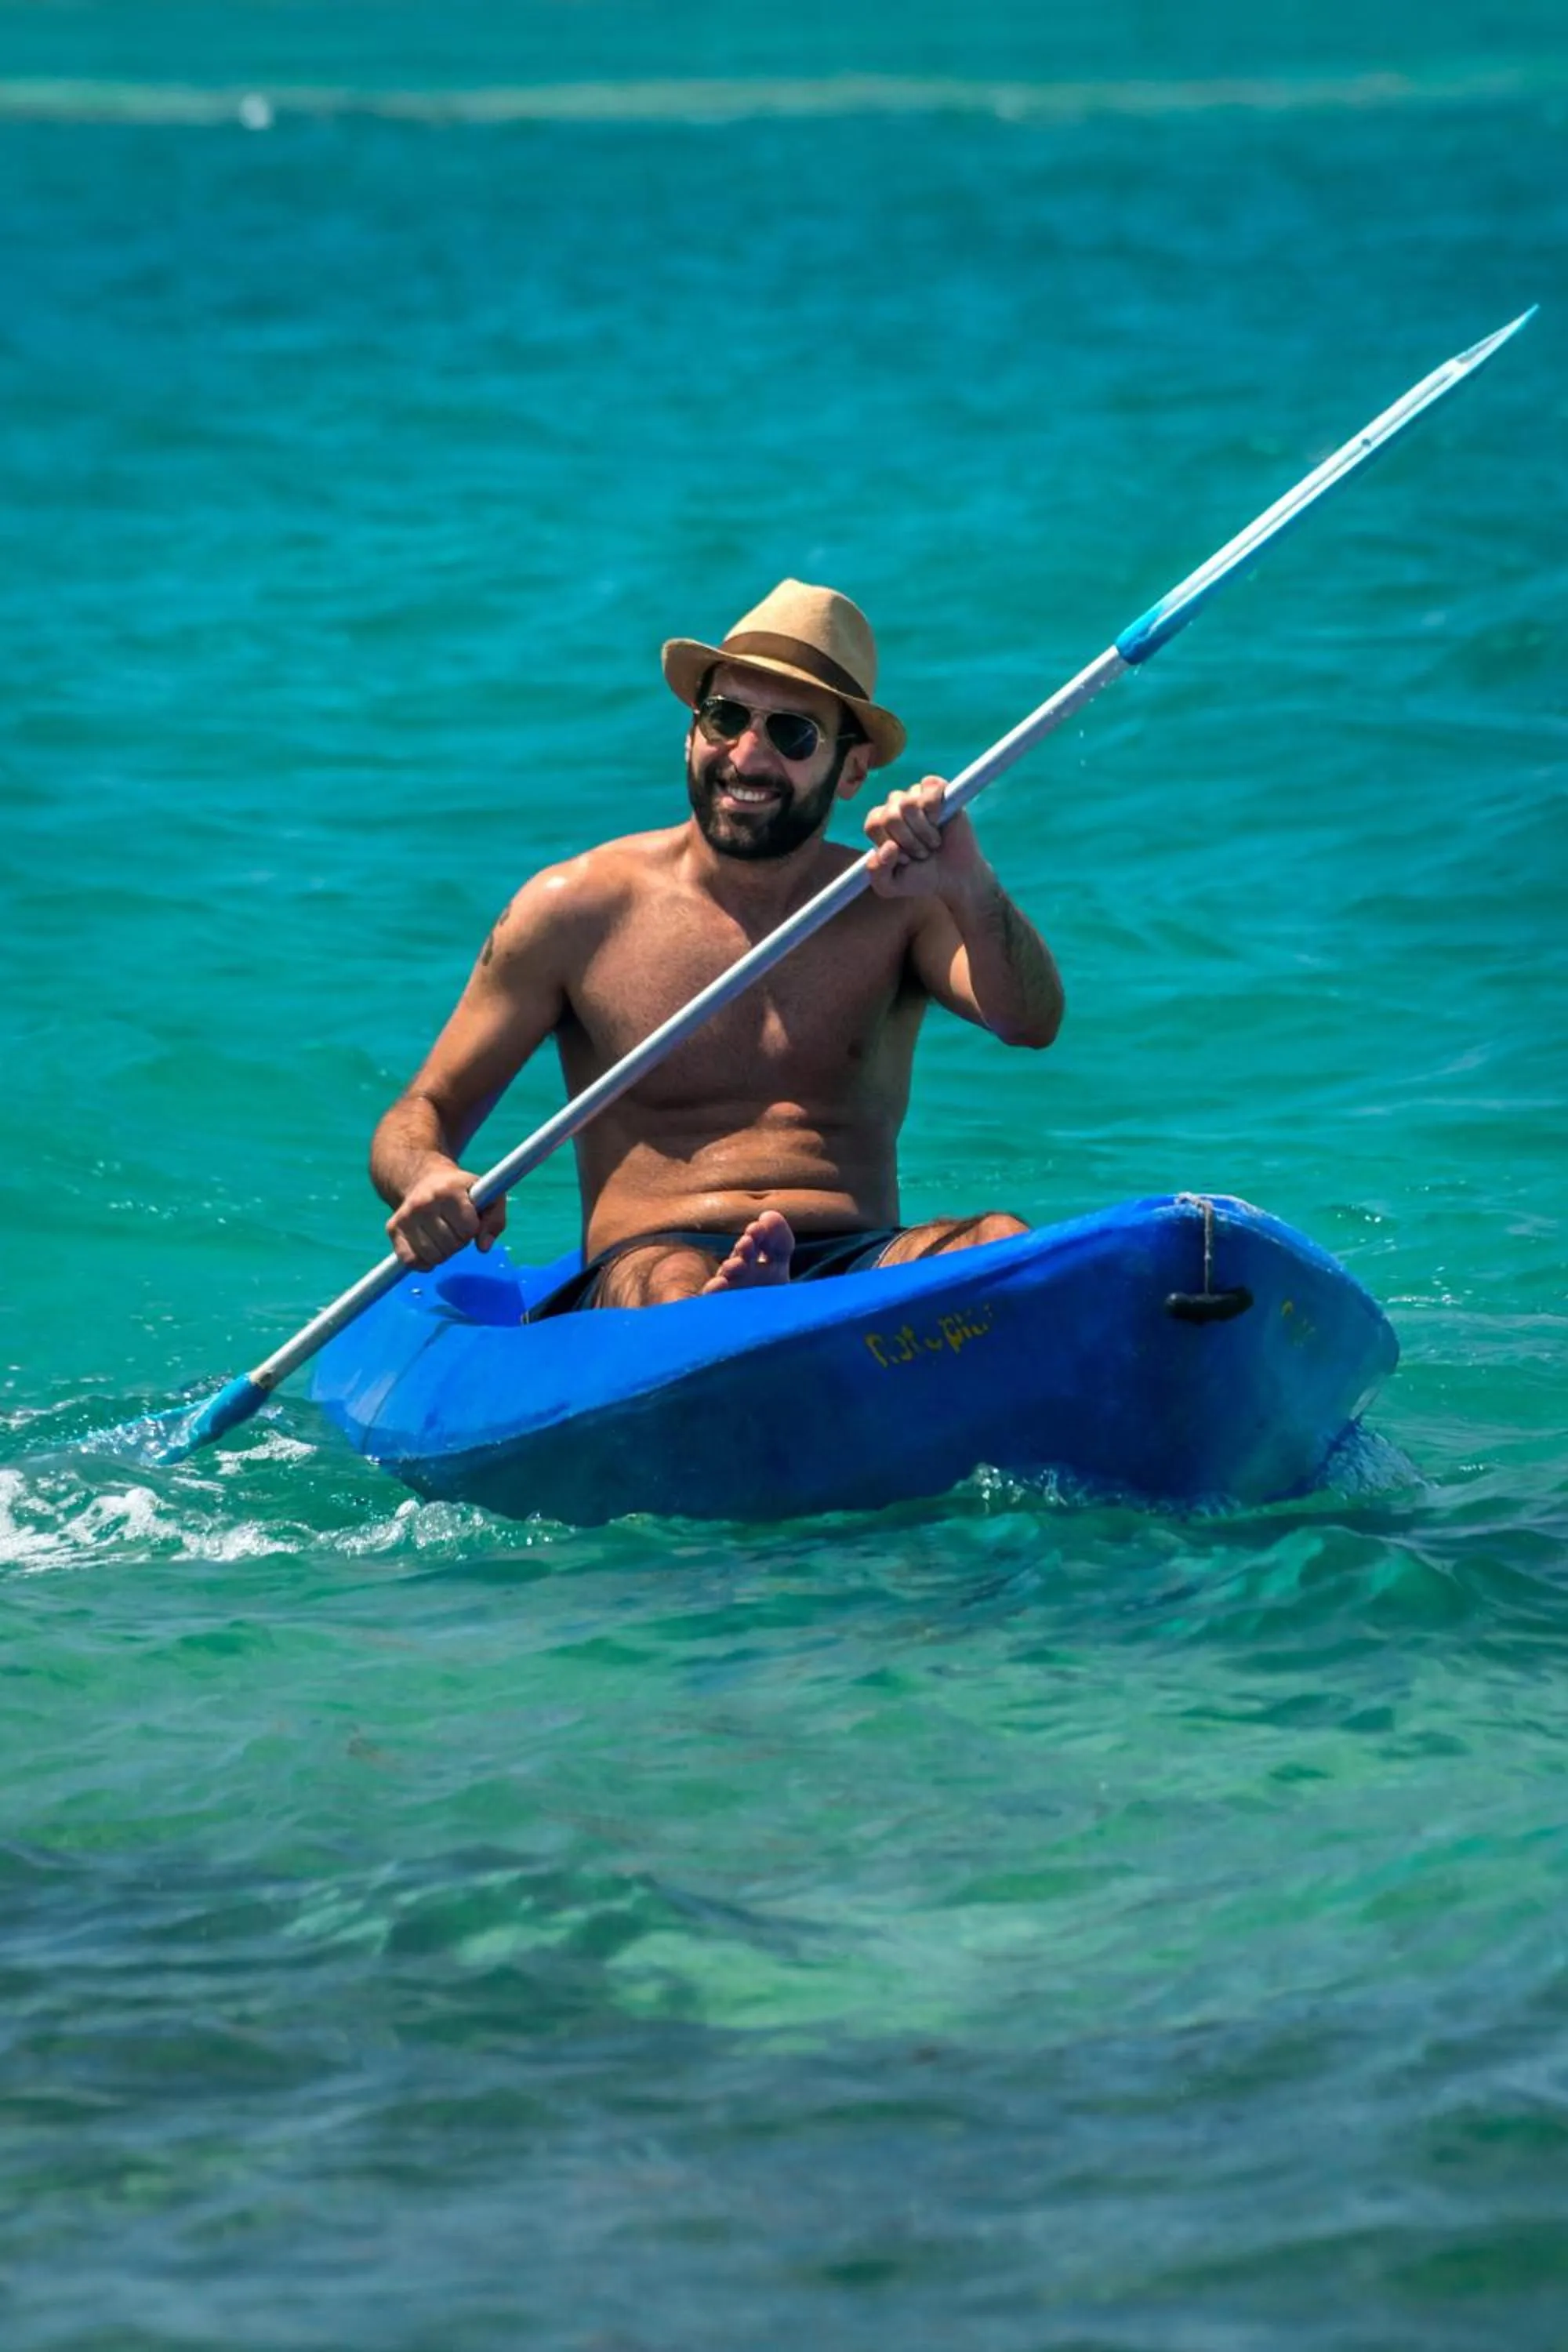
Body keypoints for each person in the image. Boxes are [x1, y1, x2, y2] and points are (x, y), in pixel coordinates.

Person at [371, 579, 1064, 1311]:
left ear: (853, 770)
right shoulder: (574, 911)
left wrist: (968, 882)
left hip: (852, 1259)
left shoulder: (896, 905)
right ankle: (733, 1314)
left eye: (792, 733)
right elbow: (423, 1109)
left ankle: (770, 1313)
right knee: (678, 1284)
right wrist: (426, 1175)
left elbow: (1029, 1023)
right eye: (726, 717)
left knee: (1000, 1237)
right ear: (691, 732)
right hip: (650, 1263)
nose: (747, 754)